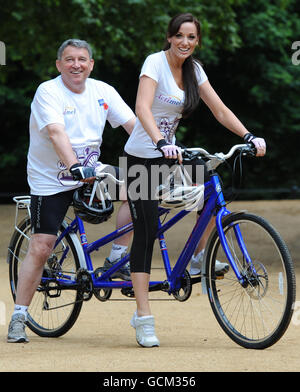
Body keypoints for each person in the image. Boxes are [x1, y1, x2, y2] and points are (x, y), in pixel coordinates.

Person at [123, 13, 266, 347]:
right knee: (145, 231)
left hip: (173, 154)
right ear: (170, 37)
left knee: (209, 194)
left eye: (191, 37)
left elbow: (219, 109)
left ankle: (201, 256)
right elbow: (142, 108)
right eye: (180, 36)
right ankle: (143, 317)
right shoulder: (154, 63)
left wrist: (248, 135)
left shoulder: (194, 70)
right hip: (143, 157)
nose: (185, 42)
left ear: (196, 41)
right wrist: (159, 141)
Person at [7, 38, 135, 343]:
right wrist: (74, 165)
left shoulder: (103, 91)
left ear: (91, 64)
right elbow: (55, 132)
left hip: (91, 169)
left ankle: (117, 261)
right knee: (42, 246)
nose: (76, 64)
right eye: (69, 59)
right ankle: (19, 316)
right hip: (51, 179)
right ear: (58, 65)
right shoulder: (47, 92)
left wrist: (162, 149)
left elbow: (135, 125)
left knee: (140, 189)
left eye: (82, 59)